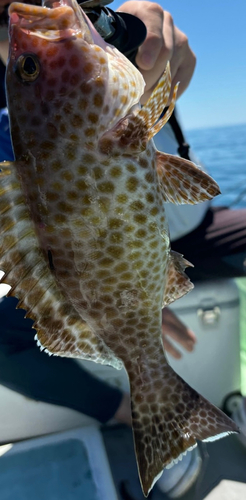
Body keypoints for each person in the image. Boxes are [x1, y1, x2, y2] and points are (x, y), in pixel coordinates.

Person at [0, 0, 245, 497]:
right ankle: (135, 415)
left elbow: (150, 43)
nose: (22, 20)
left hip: (181, 229)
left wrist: (143, 36)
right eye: (27, 65)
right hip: (109, 255)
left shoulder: (98, 42)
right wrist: (131, 293)